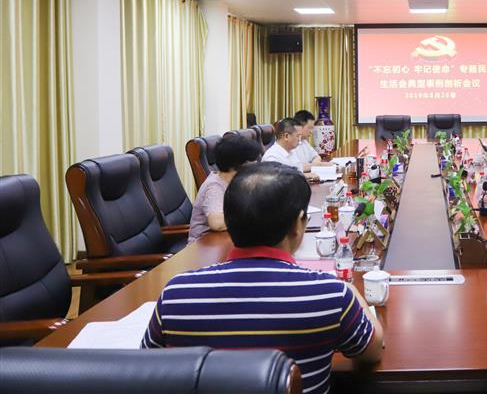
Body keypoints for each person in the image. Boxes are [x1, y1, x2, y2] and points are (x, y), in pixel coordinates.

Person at [142, 163, 383, 394]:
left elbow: (147, 368)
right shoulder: (331, 294)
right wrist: (353, 294)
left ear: (229, 220)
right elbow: (372, 351)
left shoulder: (175, 294)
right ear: (297, 224)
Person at [188, 135, 262, 243]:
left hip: (226, 238)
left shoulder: (236, 181)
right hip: (205, 246)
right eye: (252, 164)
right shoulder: (214, 187)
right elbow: (216, 223)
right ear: (235, 165)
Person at [262, 117, 320, 182]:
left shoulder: (291, 152)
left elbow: (299, 170)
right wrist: (305, 176)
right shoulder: (272, 157)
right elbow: (278, 179)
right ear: (286, 136)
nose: (299, 140)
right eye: (298, 136)